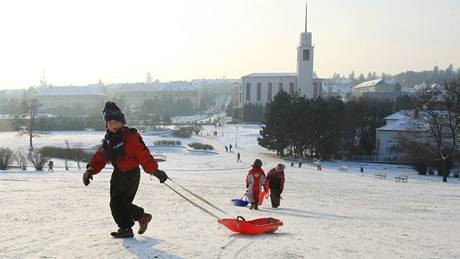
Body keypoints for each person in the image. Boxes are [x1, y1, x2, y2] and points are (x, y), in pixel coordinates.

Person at [82, 101, 168, 238]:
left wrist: (156, 172)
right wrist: (90, 170)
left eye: (115, 121)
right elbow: (100, 157)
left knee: (116, 204)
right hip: (118, 174)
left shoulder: (131, 137)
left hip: (131, 175)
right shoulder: (108, 140)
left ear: (122, 122)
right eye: (109, 122)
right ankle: (142, 216)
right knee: (121, 204)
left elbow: (144, 156)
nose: (112, 125)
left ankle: (126, 228)